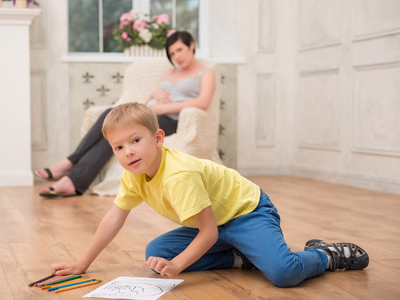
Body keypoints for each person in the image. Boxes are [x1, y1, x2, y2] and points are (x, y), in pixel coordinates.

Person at [50, 102, 369, 287]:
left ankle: (328, 254)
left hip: (248, 212)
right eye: (119, 147)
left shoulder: (179, 175)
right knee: (156, 252)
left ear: (158, 138)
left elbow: (207, 232)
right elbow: (113, 218)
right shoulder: (134, 174)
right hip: (216, 224)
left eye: (135, 141)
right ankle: (240, 256)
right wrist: (82, 263)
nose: (128, 152)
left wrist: (177, 268)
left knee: (283, 273)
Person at [35, 31, 216, 198]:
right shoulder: (170, 72)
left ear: (191, 45)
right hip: (149, 115)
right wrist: (154, 95)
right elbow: (150, 101)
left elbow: (203, 102)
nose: (177, 57)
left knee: (120, 129)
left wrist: (163, 109)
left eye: (180, 50)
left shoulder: (205, 72)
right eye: (173, 54)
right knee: (110, 117)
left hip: (170, 120)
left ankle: (70, 171)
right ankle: (72, 174)